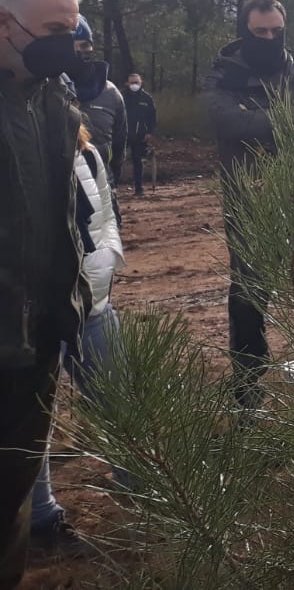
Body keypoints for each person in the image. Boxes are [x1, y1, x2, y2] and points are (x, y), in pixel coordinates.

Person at [0, 0, 92, 588]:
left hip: (35, 341)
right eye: (56, 29)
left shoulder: (55, 103)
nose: (70, 42)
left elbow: (70, 213)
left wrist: (72, 304)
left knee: (11, 498)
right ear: (5, 26)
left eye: (75, 30)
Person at [202, 0, 294, 408]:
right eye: (260, 32)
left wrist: (261, 123)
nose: (269, 38)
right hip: (249, 204)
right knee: (249, 299)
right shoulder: (222, 78)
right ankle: (249, 395)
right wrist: (293, 121)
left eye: (276, 31)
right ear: (244, 31)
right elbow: (229, 122)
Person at [30, 124, 124, 555]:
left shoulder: (83, 150)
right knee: (29, 423)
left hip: (92, 303)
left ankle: (147, 489)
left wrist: (108, 260)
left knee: (125, 397)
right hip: (24, 316)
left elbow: (105, 214)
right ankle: (38, 521)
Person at [70, 16, 126, 186]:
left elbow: (119, 142)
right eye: (73, 45)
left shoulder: (110, 92)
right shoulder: (44, 88)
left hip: (101, 184)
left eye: (85, 45)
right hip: (58, 193)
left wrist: (113, 177)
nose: (80, 51)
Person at [124, 72, 157, 195]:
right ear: (127, 83)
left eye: (136, 82)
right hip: (124, 135)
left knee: (138, 162)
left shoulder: (147, 98)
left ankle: (139, 189)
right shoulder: (122, 97)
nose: (134, 85)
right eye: (132, 82)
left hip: (140, 136)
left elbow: (152, 117)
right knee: (117, 161)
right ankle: (114, 187)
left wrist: (150, 132)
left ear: (141, 82)